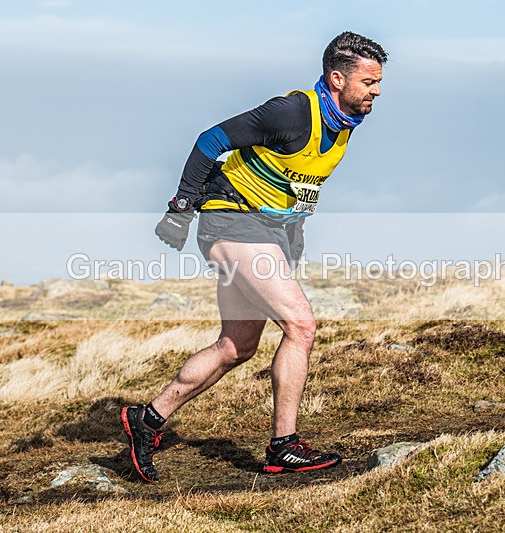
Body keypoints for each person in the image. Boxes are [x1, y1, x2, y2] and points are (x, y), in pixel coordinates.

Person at [121, 31, 388, 482]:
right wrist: (180, 208)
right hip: (232, 221)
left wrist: (293, 239)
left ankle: (147, 419)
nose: (377, 91)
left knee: (236, 346)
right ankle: (283, 445)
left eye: (379, 82)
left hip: (267, 232)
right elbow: (210, 141)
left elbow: (296, 186)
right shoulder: (291, 112)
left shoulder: (342, 124)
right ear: (337, 79)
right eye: (369, 82)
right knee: (301, 325)